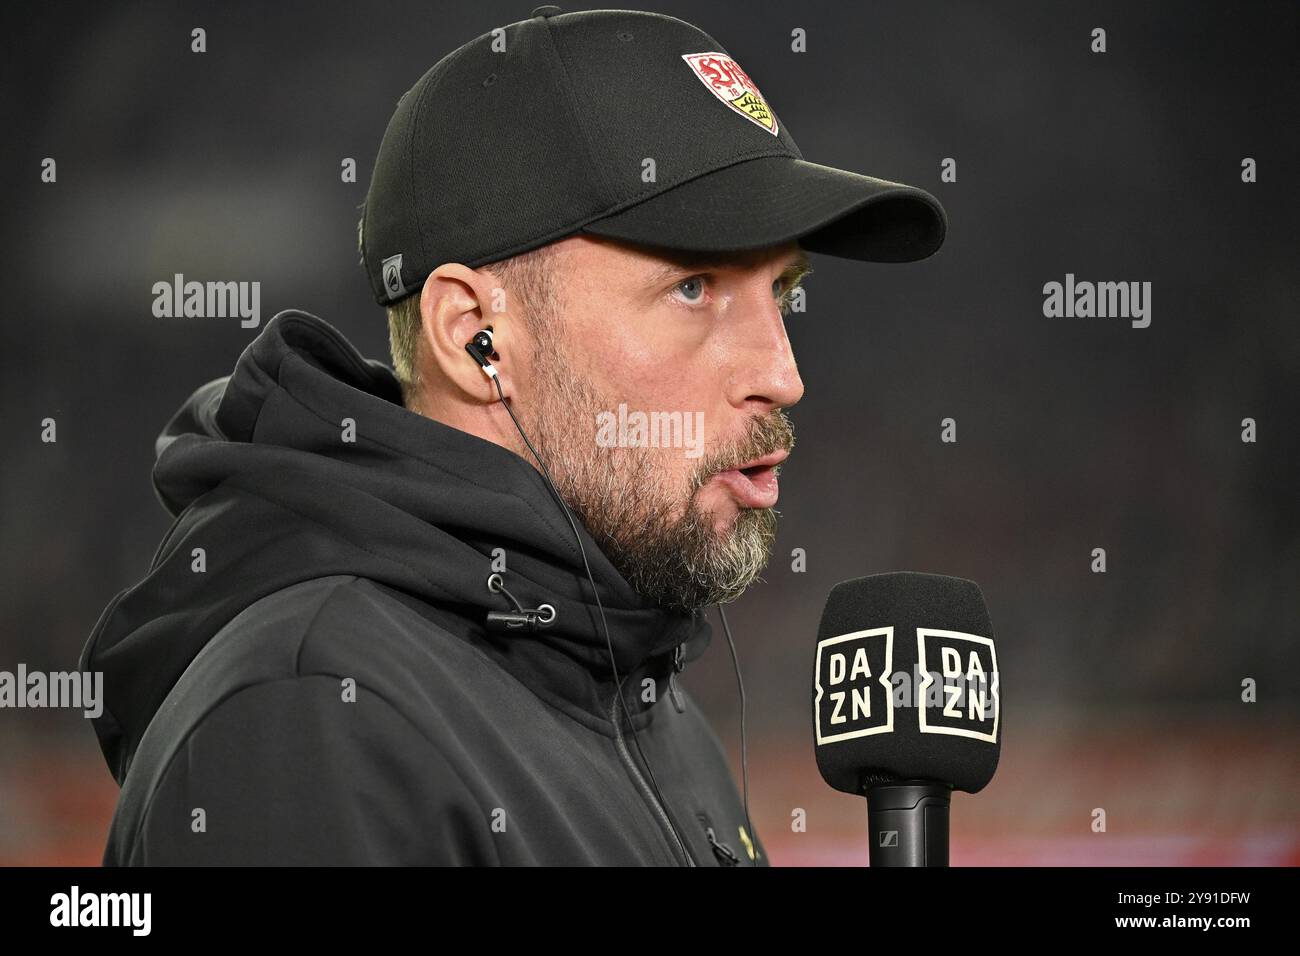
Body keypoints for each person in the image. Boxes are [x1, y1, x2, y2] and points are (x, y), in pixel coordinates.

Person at [81, 6, 946, 865]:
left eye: (783, 292)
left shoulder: (638, 691)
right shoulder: (311, 718)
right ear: (472, 335)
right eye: (694, 287)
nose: (784, 373)